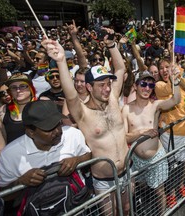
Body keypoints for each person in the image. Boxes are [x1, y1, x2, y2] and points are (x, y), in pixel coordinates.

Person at [42, 28, 131, 215]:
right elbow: (70, 94)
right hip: (104, 180)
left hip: (127, 172)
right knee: (111, 214)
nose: (107, 89)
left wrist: (111, 45)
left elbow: (121, 68)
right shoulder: (82, 112)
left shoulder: (114, 98)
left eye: (109, 84)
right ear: (89, 87)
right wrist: (60, 62)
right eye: (102, 85)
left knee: (127, 209)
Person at [0, 100, 92, 215]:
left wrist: (77, 160)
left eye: (58, 123)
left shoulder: (73, 134)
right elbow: (4, 195)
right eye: (49, 128)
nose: (58, 131)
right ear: (30, 132)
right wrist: (21, 182)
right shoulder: (10, 155)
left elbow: (88, 155)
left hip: (76, 208)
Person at [122, 70, 181, 214]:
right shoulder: (126, 109)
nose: (147, 88)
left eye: (150, 85)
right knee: (135, 188)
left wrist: (176, 82)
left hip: (156, 158)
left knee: (159, 191)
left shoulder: (155, 106)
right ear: (136, 86)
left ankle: (163, 213)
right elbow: (123, 137)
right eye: (143, 84)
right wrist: (142, 133)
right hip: (136, 160)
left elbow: (175, 100)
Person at [155, 59, 185, 208]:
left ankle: (180, 183)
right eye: (161, 68)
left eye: (167, 67)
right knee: (171, 166)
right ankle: (171, 192)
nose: (164, 70)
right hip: (171, 134)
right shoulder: (159, 86)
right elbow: (171, 91)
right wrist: (176, 77)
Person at [0, 73, 36, 144]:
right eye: (13, 87)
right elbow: (3, 140)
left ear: (31, 88)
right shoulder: (4, 110)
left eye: (22, 86)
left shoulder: (42, 106)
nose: (18, 90)